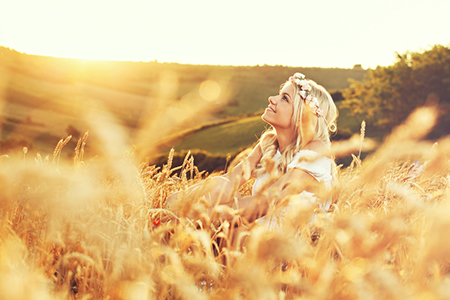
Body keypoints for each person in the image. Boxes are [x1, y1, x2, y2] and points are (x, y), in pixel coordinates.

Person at [165, 73, 338, 230]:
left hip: (285, 239)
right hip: (254, 225)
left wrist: (200, 215)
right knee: (218, 185)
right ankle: (169, 228)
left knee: (226, 227)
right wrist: (181, 201)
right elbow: (230, 180)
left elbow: (271, 200)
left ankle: (173, 231)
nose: (272, 99)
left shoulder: (317, 150)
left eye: (284, 98)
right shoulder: (268, 144)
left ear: (303, 117)